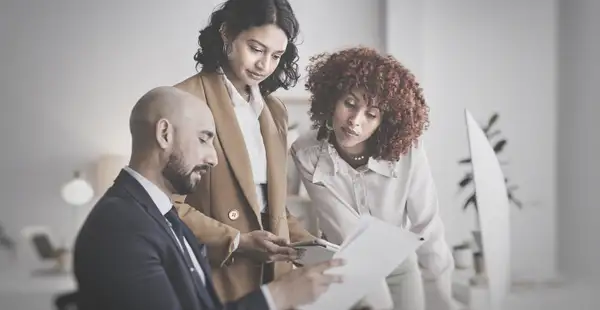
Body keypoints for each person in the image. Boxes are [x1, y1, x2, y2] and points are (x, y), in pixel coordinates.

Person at [73, 86, 344, 310]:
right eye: (204, 140)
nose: (213, 158)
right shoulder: (121, 228)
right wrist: (278, 297)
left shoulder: (166, 219)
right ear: (164, 134)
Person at [171, 0, 316, 303]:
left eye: (276, 55)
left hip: (274, 276)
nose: (265, 65)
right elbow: (166, 206)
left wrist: (310, 244)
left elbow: (271, 207)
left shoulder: (274, 111)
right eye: (256, 48)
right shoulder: (184, 100)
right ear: (226, 34)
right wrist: (235, 241)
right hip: (216, 273)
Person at [290, 47, 456, 310]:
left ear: (385, 122)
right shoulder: (306, 153)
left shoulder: (408, 151)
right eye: (350, 104)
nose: (355, 121)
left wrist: (443, 300)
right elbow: (345, 231)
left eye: (371, 114)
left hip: (401, 263)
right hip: (346, 262)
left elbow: (427, 226)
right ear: (333, 98)